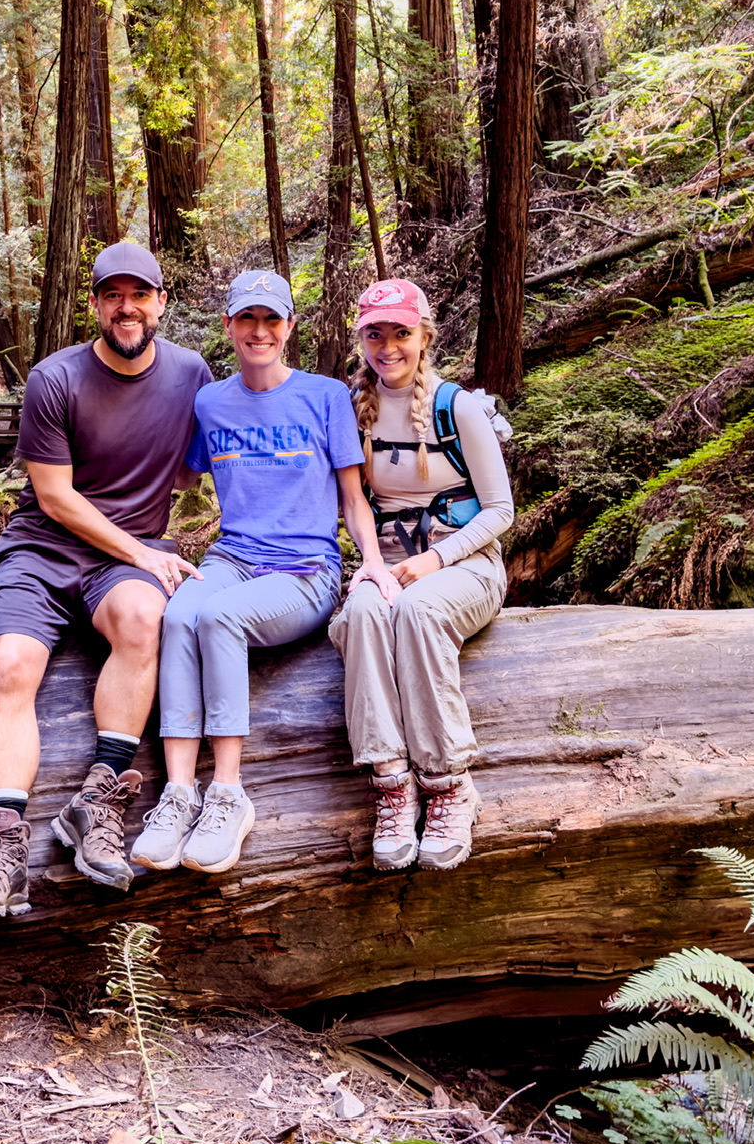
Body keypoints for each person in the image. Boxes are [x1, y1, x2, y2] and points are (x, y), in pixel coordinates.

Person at [0, 241, 212, 919]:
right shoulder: (54, 378)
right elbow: (57, 496)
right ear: (95, 305)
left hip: (125, 561)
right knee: (9, 664)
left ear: (161, 302)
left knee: (143, 621)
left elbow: (198, 466)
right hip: (42, 548)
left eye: (140, 295)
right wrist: (145, 551)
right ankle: (3, 846)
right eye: (112, 296)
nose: (127, 308)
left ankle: (97, 800)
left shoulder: (191, 374)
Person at [130, 270, 386, 878]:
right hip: (233, 558)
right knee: (180, 611)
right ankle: (177, 795)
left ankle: (227, 794)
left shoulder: (325, 397)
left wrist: (373, 566)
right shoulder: (211, 402)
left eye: (273, 320)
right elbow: (179, 475)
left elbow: (353, 500)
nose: (260, 331)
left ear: (290, 328)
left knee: (218, 616)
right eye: (248, 319)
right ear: (229, 327)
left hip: (306, 570)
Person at [328, 277, 514, 873]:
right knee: (360, 613)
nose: (388, 347)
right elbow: (353, 505)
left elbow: (500, 512)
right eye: (375, 334)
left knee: (420, 610)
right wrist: (372, 568)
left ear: (424, 337)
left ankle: (447, 781)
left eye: (401, 333)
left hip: (464, 563)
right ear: (360, 340)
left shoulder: (456, 407)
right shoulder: (353, 411)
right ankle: (390, 781)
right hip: (386, 562)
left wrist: (435, 560)